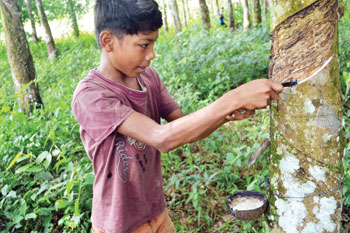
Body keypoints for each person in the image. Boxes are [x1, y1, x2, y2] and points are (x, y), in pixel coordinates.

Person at [71, 0, 283, 232]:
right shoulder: (91, 95)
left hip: (157, 212)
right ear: (108, 41)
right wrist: (233, 98)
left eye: (153, 43)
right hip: (119, 223)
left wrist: (225, 115)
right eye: (144, 45)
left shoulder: (149, 77)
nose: (152, 54)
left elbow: (183, 129)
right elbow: (163, 138)